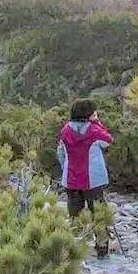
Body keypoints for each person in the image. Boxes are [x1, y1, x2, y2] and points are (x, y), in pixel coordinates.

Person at [57, 99, 115, 257]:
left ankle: (75, 251)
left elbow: (60, 152)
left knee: (75, 215)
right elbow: (108, 141)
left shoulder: (66, 130)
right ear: (90, 114)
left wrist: (65, 169)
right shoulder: (95, 131)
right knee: (98, 214)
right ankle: (102, 249)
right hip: (94, 181)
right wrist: (97, 123)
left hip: (70, 180)